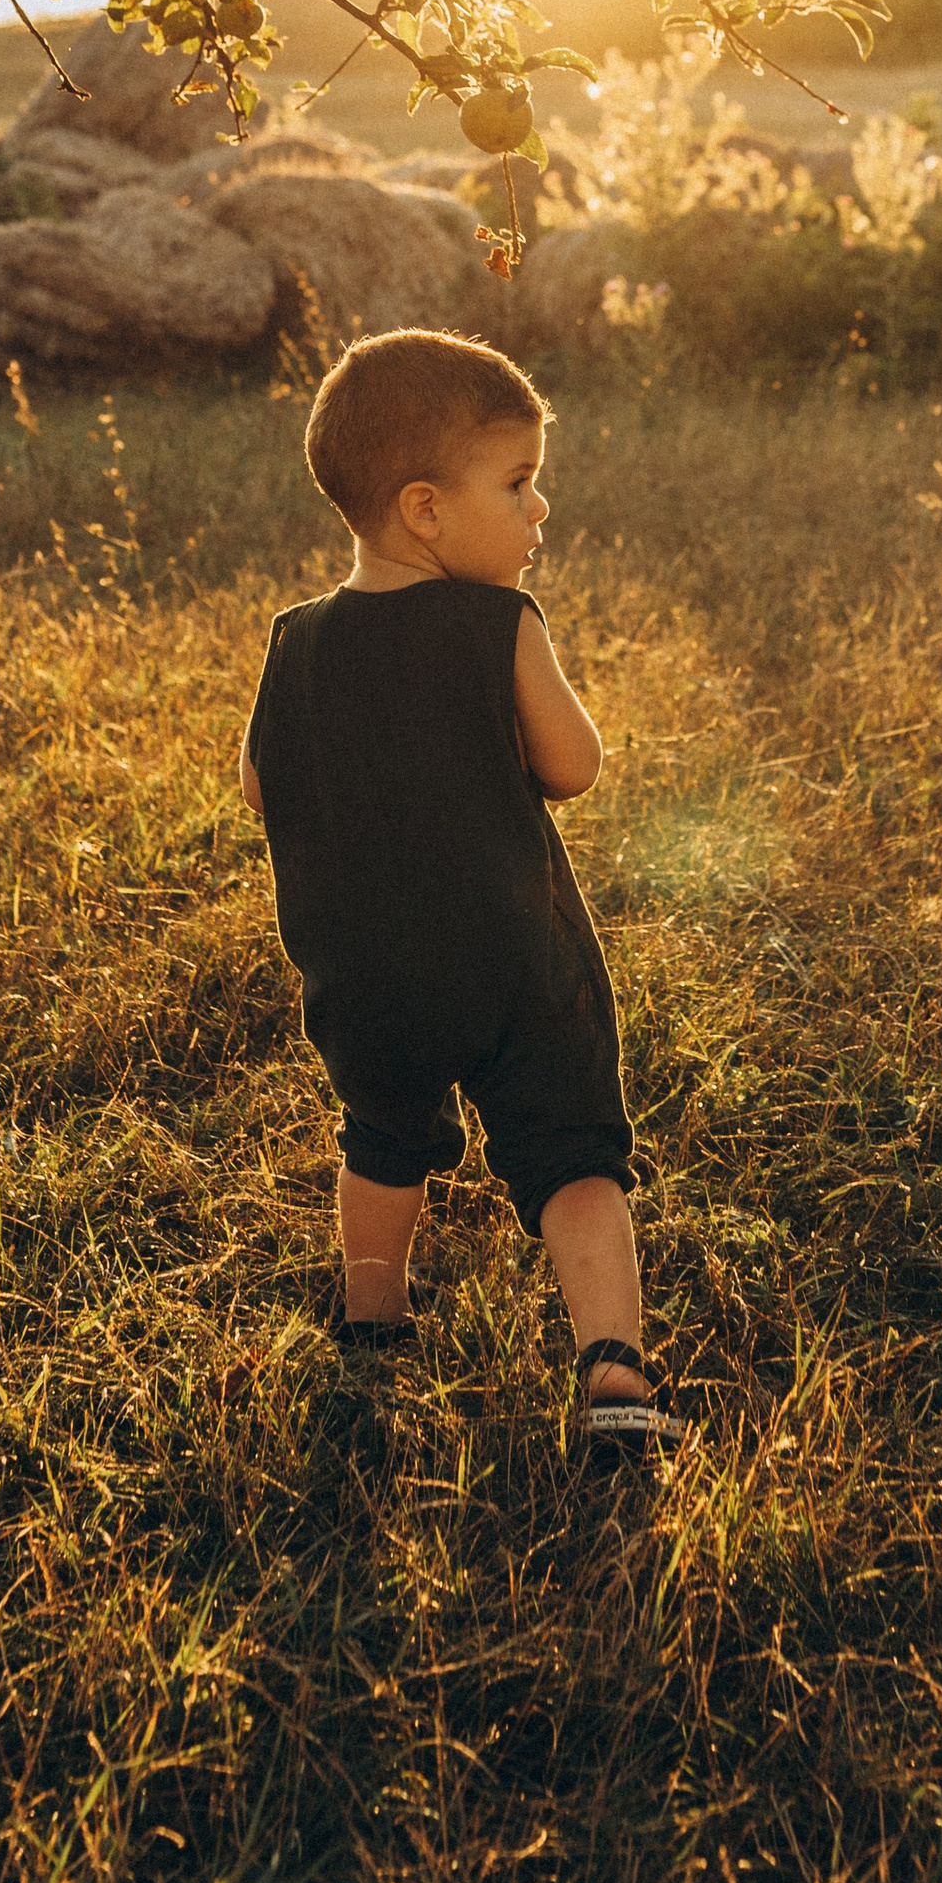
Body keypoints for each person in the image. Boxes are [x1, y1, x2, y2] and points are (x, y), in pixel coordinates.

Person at [239, 326, 682, 1457]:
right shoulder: (500, 627)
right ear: (425, 508)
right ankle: (613, 1373)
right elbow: (573, 767)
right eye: (521, 483)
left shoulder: (294, 645)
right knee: (574, 1158)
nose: (542, 511)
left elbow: (257, 784)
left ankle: (371, 1334)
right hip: (515, 965)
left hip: (368, 979)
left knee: (381, 1140)